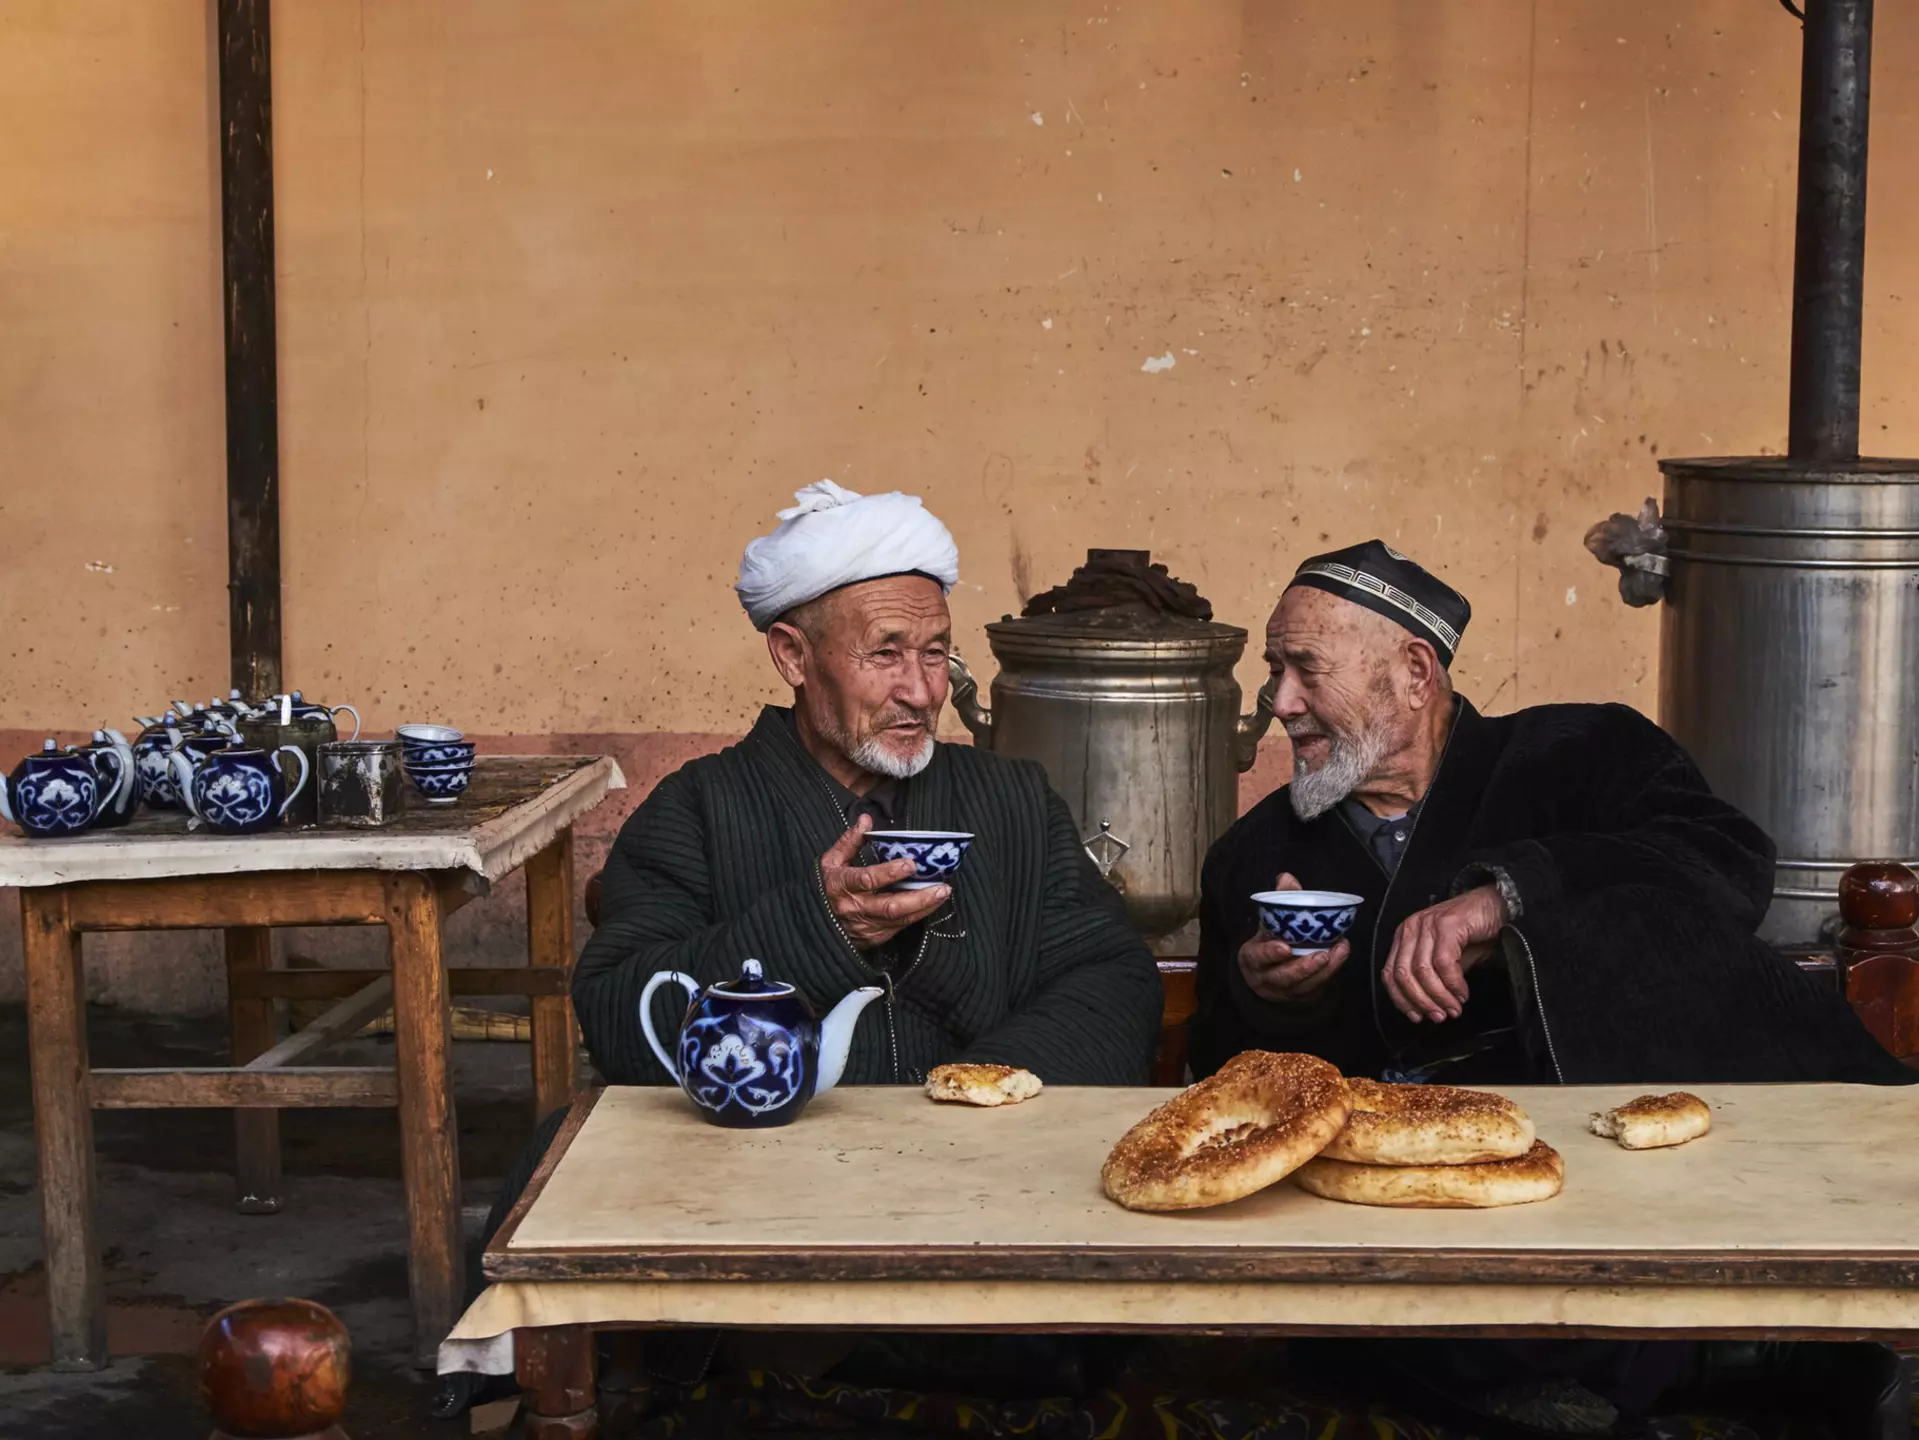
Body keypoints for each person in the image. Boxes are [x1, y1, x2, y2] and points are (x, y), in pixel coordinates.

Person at [437, 481, 1160, 1413]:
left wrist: (982, 1090)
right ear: (792, 654)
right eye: (885, 654)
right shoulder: (698, 809)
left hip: (987, 1194)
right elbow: (624, 1012)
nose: (921, 690)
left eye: (936, 652)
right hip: (761, 1207)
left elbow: (1112, 977)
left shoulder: (1012, 798)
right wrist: (818, 930)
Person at [1191, 539, 1912, 1438]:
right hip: (1418, 1195)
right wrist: (1268, 997)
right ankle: (1725, 1361)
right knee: (1357, 1308)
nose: (1279, 703)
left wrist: (1505, 898)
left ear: (1414, 672)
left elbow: (1727, 868)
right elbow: (1214, 1081)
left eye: (1304, 669)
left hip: (1625, 1148)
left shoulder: (1578, 752)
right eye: (1273, 670)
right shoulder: (1254, 857)